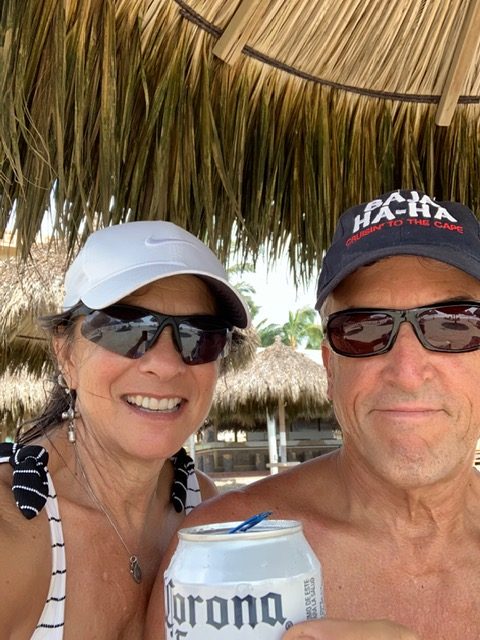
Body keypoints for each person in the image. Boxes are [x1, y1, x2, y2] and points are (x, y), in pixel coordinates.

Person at [146, 189, 480, 640]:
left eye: (453, 324)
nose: (407, 372)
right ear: (329, 366)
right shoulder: (228, 556)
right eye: (363, 330)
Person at [0, 220, 250, 638]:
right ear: (66, 356)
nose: (166, 364)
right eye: (127, 328)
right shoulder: (14, 527)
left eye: (199, 336)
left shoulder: (205, 508)